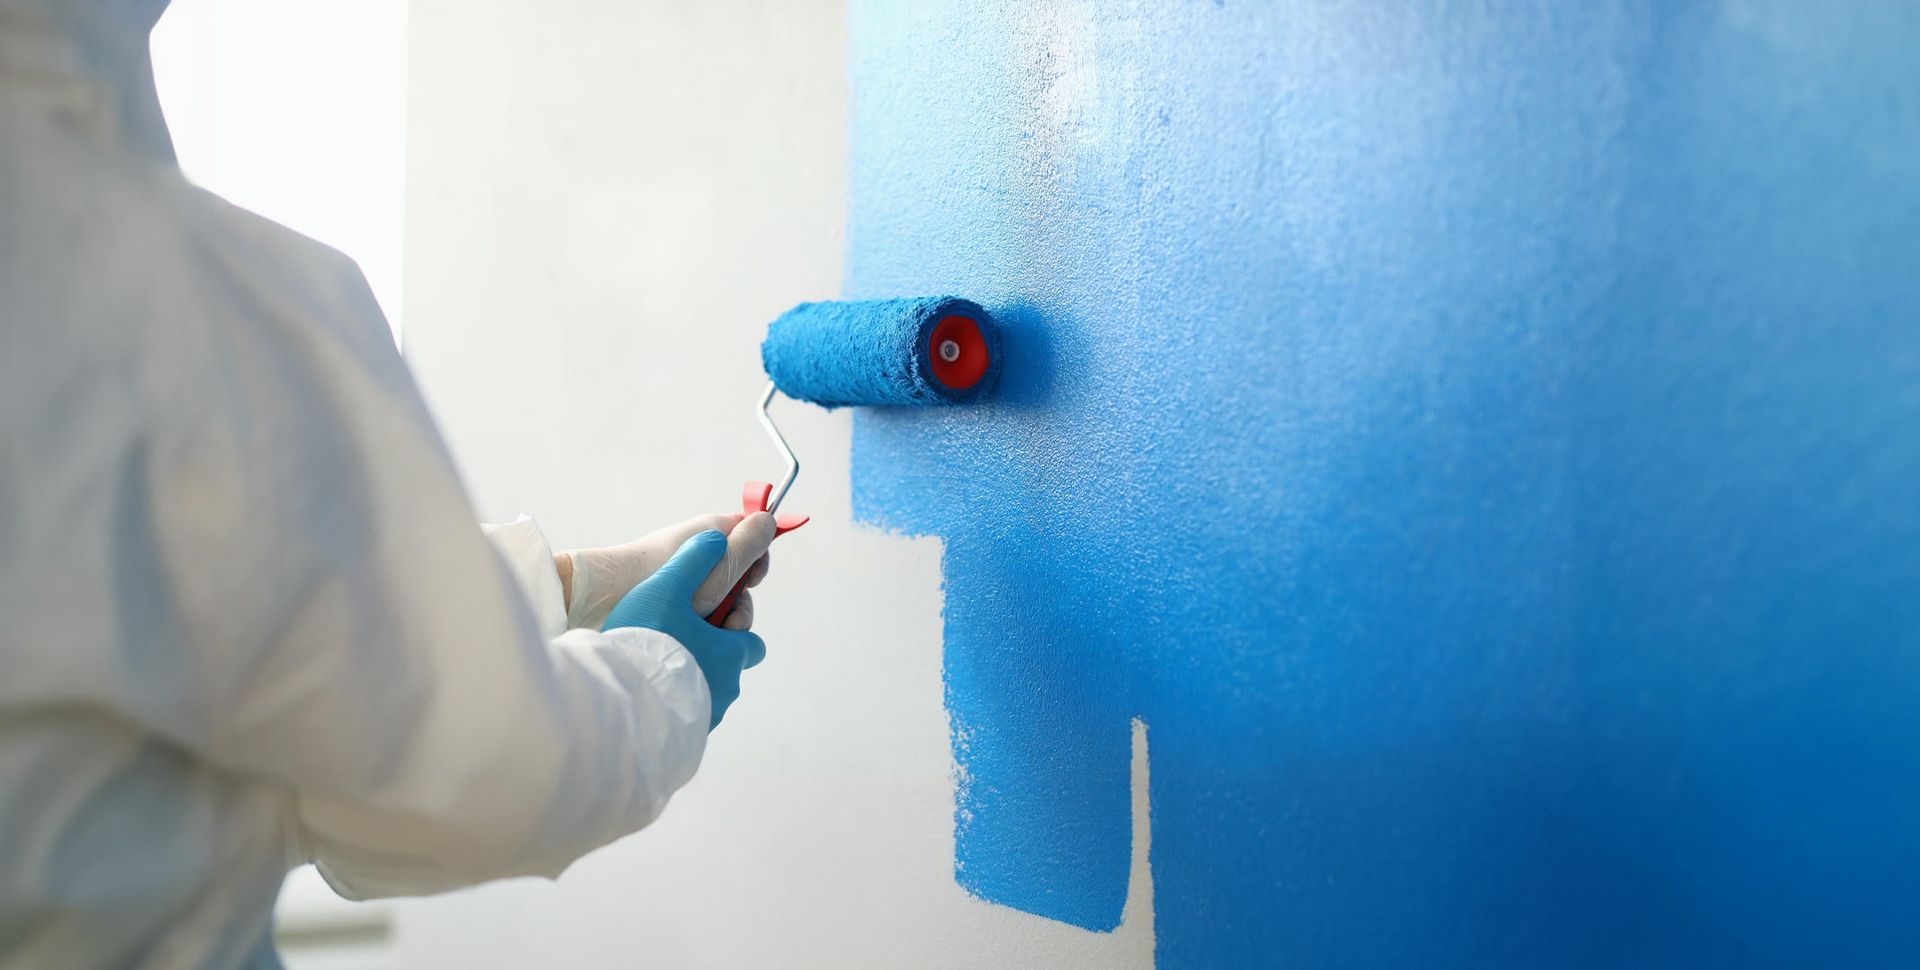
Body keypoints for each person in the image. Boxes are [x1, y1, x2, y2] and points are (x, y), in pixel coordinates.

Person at [0, 1, 776, 965]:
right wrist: (661, 674)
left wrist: (574, 582)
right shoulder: (191, 300)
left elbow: (201, 645)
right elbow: (466, 779)